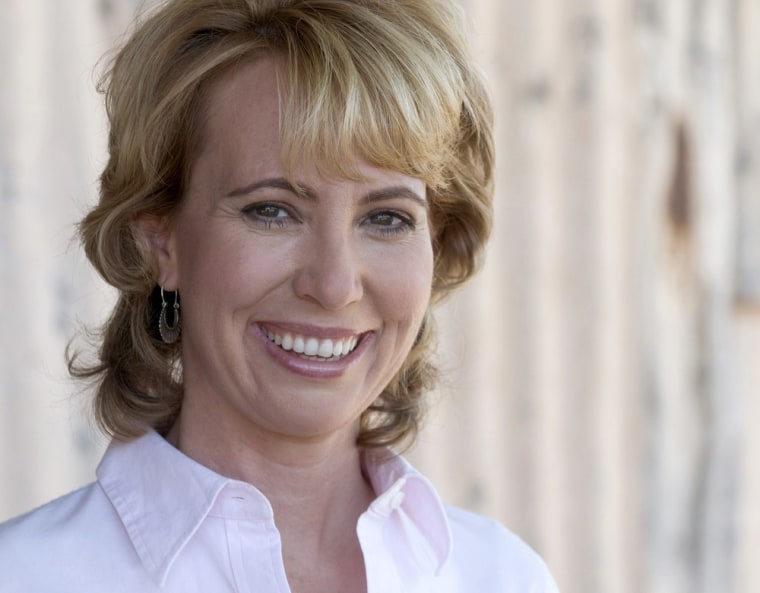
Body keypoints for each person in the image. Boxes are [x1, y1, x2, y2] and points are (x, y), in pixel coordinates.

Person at [0, 0, 559, 591]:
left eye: (388, 219)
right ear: (160, 242)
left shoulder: (502, 575)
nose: (335, 285)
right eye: (272, 212)